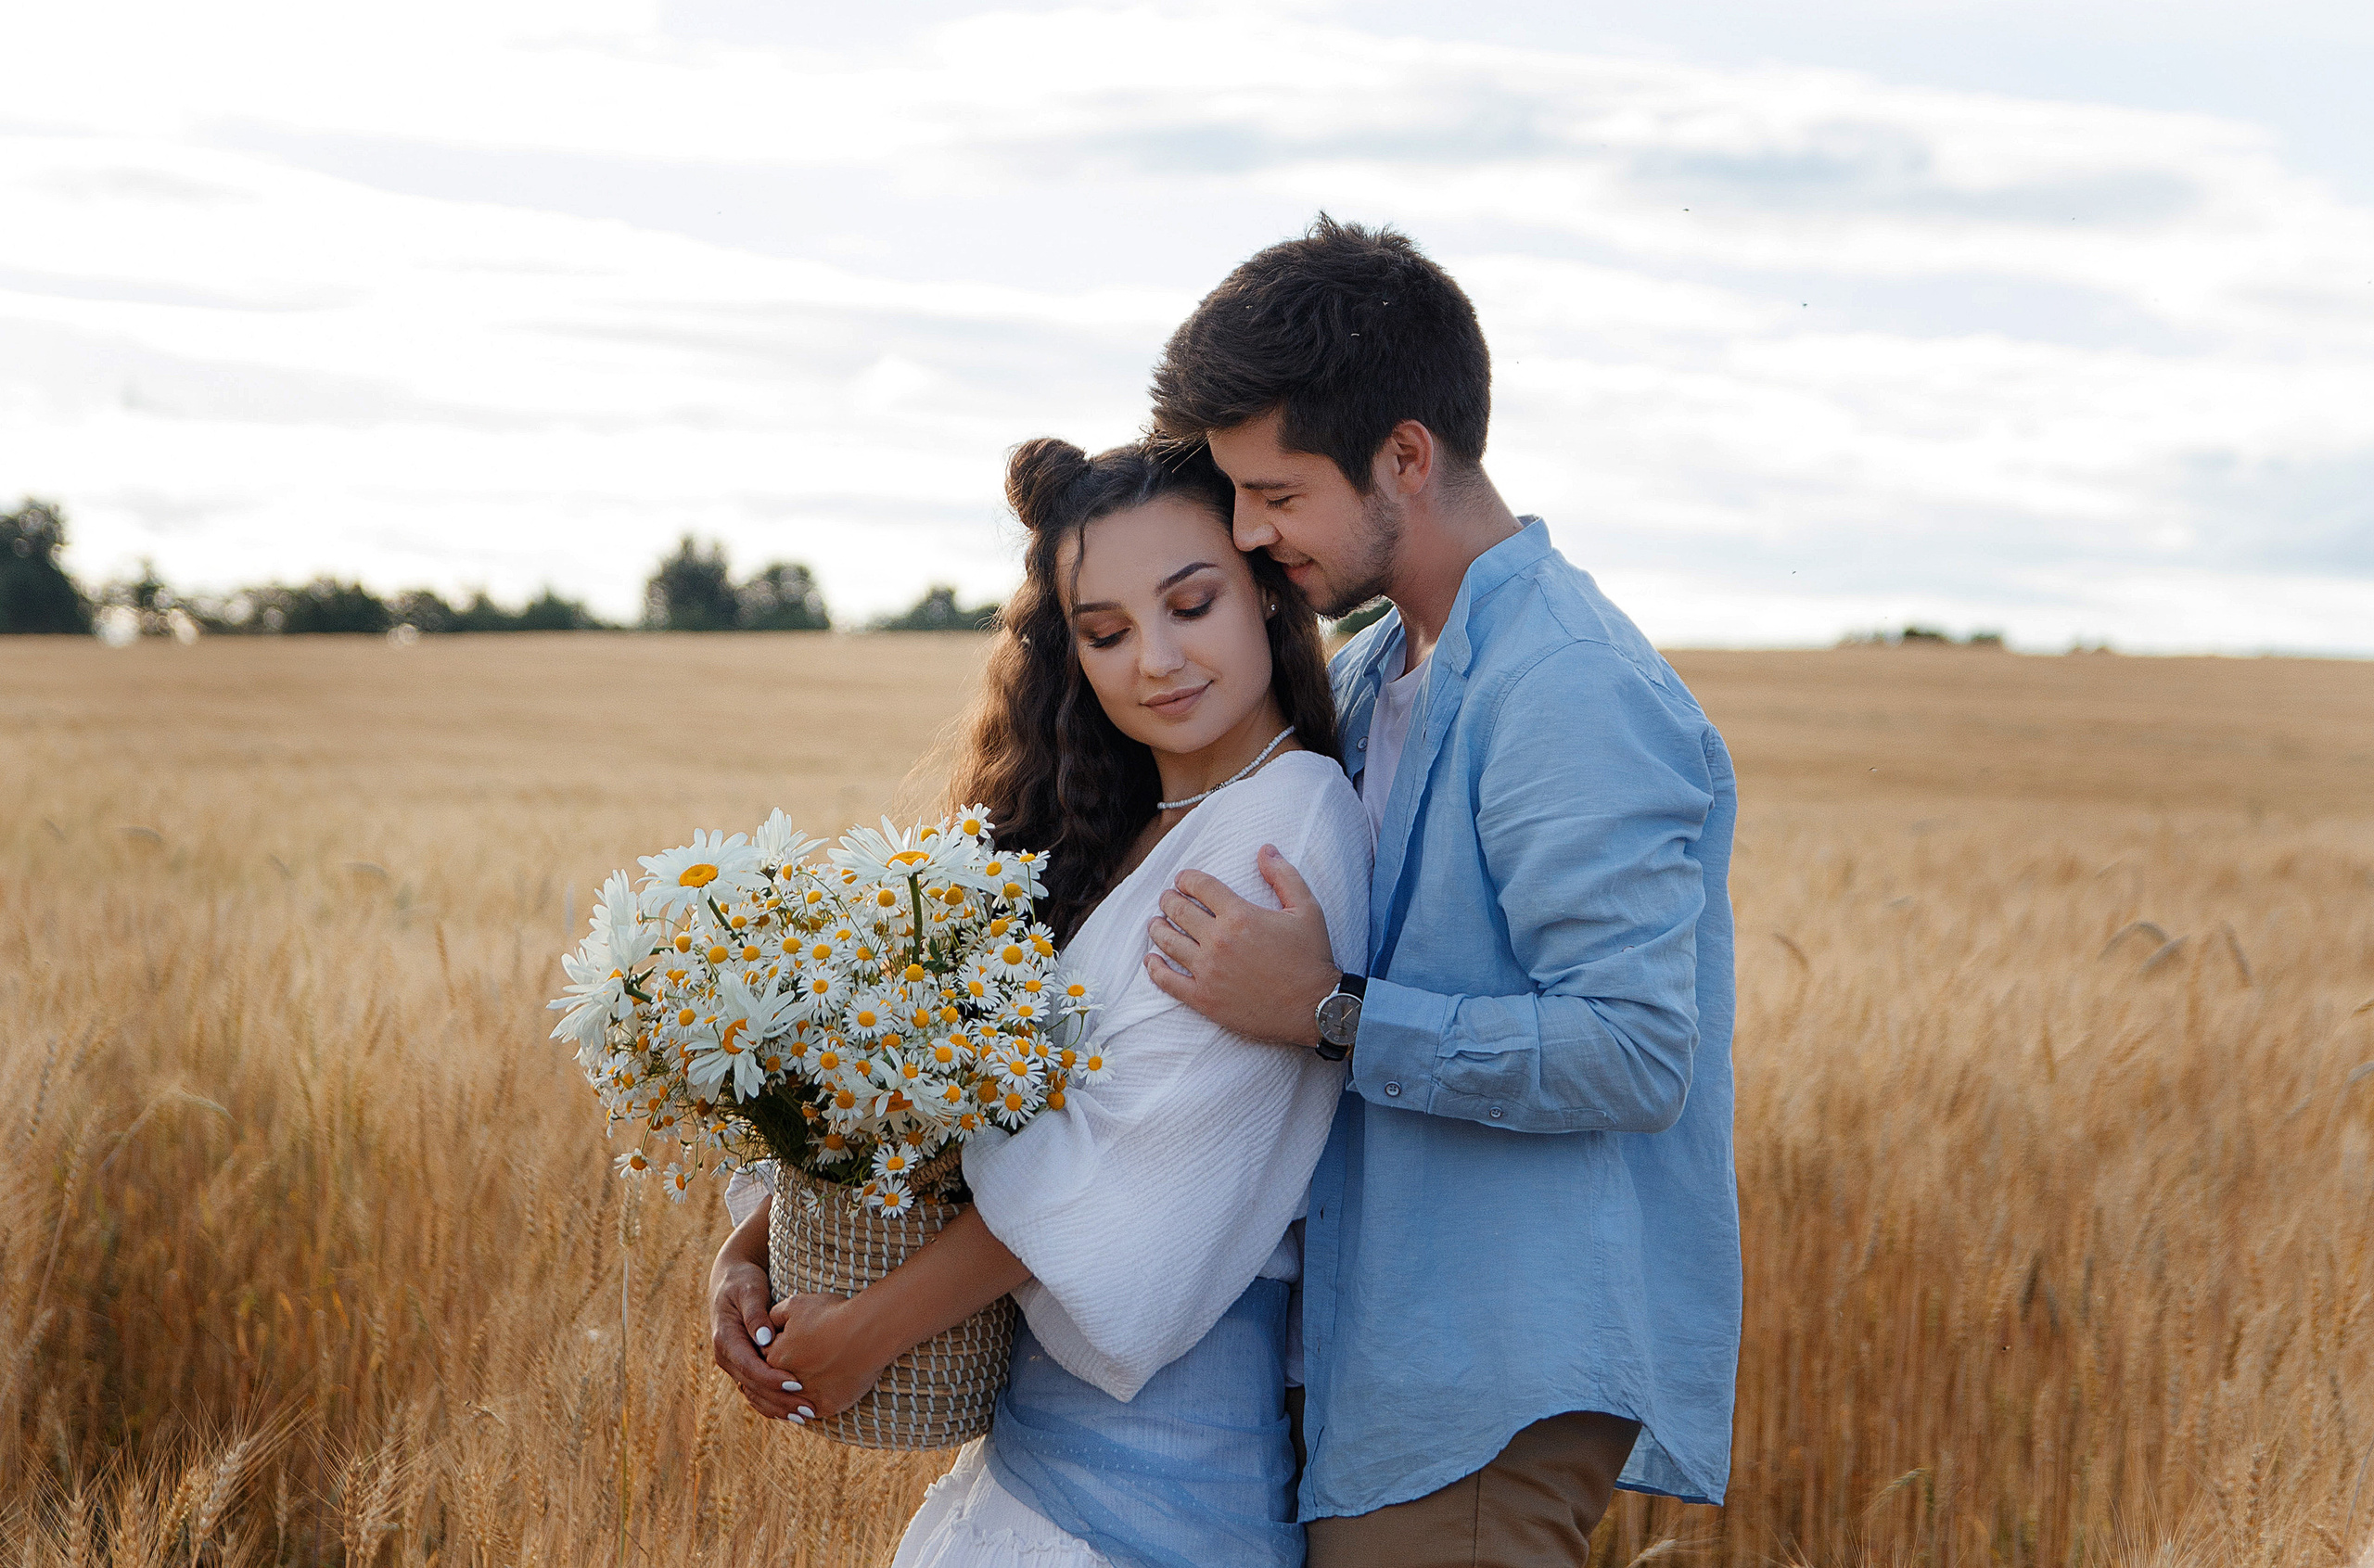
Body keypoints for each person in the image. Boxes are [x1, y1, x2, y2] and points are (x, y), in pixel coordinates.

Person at [1135, 217, 1742, 1567]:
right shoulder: (1371, 673)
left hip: (1481, 1373)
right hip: (1383, 1354)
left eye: (1277, 493)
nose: (1247, 531)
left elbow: (1637, 1050)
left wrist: (1330, 1011)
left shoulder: (1565, 684)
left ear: (1405, 454)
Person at [706, 438, 1373, 1568]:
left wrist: (865, 1332)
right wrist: (752, 1246)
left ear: (1264, 588)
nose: (1155, 660)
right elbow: (932, 1084)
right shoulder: (1117, 833)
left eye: (1191, 603)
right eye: (1105, 631)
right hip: (1028, 1470)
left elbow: (1125, 1168)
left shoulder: (1287, 819)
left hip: (1153, 1497)